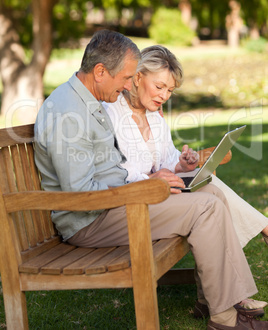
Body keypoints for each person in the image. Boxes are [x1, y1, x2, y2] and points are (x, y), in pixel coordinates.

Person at [34, 30, 268, 330]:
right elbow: (80, 195)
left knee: (210, 196)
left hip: (110, 206)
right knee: (205, 206)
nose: (128, 85)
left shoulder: (83, 100)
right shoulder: (68, 112)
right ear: (101, 71)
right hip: (90, 221)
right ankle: (225, 319)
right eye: (126, 77)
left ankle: (218, 301)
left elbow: (107, 172)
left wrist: (149, 184)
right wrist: (143, 188)